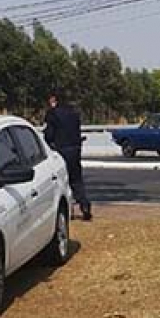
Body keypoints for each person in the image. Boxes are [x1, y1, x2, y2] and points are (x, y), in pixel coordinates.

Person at [44, 89, 92, 221]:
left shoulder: (52, 114)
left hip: (61, 150)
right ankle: (85, 205)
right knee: (77, 179)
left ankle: (67, 210)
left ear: (54, 100)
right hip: (75, 149)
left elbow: (49, 134)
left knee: (62, 181)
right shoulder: (74, 112)